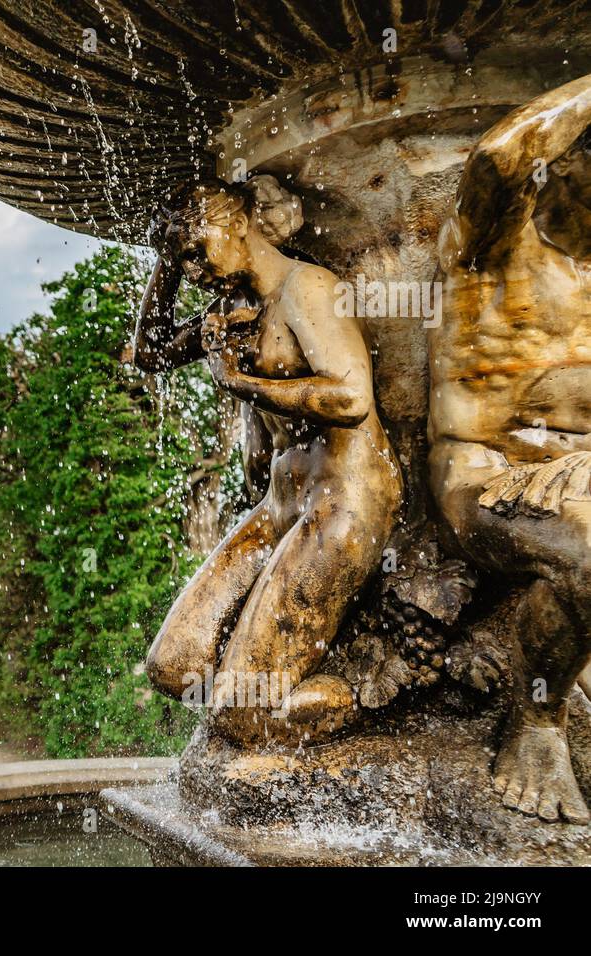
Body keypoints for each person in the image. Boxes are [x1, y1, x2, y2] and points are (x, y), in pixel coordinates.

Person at [141, 175, 403, 746]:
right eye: (179, 259)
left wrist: (240, 381)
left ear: (239, 222)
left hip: (344, 499)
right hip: (282, 502)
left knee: (241, 710)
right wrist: (167, 254)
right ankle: (275, 681)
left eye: (194, 249)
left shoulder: (305, 287)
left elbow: (351, 399)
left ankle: (373, 696)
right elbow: (150, 352)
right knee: (174, 667)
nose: (190, 270)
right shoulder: (233, 308)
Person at [429, 73, 591, 823]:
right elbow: (497, 157)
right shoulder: (492, 243)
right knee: (588, 548)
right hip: (487, 471)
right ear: (565, 161)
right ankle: (536, 722)